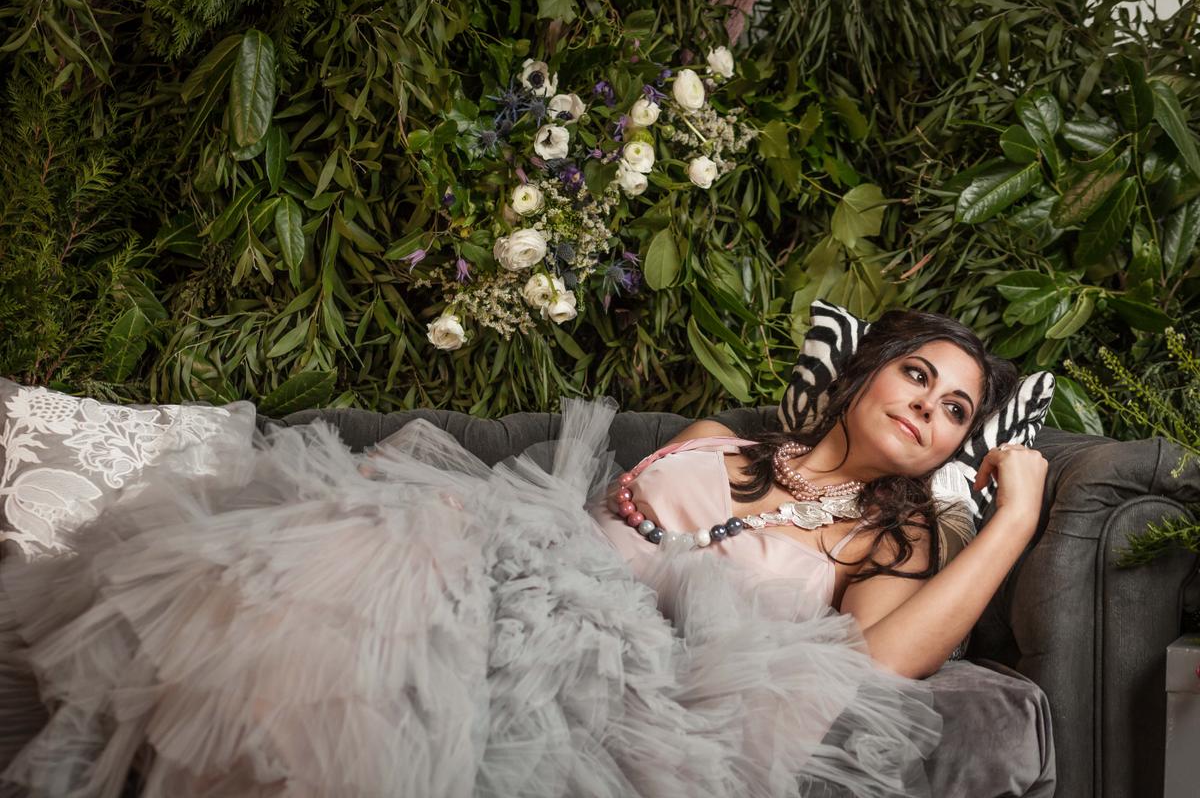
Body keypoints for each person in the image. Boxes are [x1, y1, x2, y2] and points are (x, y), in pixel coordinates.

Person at [0, 308, 1046, 798]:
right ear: (866, 373)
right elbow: (586, 515)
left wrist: (1013, 517)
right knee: (338, 560)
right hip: (518, 566)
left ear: (954, 445)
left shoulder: (890, 536)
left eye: (957, 410)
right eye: (917, 374)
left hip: (619, 669)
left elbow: (882, 663)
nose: (929, 406)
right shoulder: (717, 441)